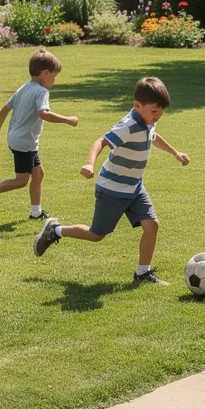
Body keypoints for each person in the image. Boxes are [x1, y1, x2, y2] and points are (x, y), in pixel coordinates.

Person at [33, 76, 189, 285]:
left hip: (134, 187)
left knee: (152, 225)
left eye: (161, 112)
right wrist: (90, 164)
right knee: (96, 234)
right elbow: (100, 141)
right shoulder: (128, 125)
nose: (157, 116)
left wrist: (174, 152)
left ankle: (143, 273)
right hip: (112, 189)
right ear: (137, 105)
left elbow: (153, 136)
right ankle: (56, 230)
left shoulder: (148, 121)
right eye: (154, 112)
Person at [0, 49, 79, 220]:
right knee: (22, 180)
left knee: (38, 174)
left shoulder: (24, 88)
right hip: (24, 142)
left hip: (18, 139)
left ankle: (36, 212)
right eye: (54, 76)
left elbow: (4, 109)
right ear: (45, 73)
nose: (54, 81)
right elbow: (43, 113)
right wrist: (68, 119)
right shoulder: (41, 92)